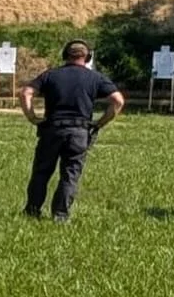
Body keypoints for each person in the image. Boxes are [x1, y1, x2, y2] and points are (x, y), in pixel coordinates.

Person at [19, 40, 125, 223]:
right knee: (70, 175)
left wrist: (32, 117)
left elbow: (25, 93)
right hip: (79, 131)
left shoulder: (50, 75)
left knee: (41, 172)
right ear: (87, 57)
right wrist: (99, 123)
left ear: (65, 55)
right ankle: (60, 216)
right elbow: (118, 101)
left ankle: (32, 212)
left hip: (52, 129)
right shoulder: (96, 78)